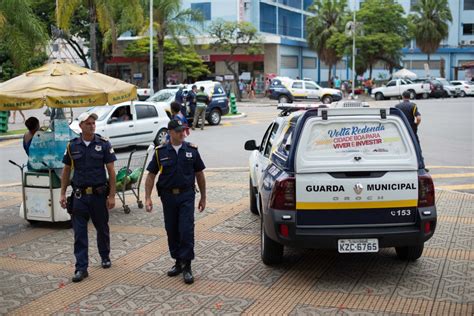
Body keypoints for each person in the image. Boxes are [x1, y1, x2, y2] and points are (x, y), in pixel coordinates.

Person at [144, 119, 206, 284]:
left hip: (186, 195)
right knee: (171, 229)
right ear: (170, 132)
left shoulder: (191, 150)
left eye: (183, 130)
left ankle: (187, 266)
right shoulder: (160, 152)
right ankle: (178, 261)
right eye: (178, 131)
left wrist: (203, 197)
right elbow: (151, 175)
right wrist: (148, 197)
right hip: (168, 197)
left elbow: (199, 174)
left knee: (186, 229)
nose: (182, 133)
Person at [59, 112, 117, 283]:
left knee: (102, 228)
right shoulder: (72, 146)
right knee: (79, 233)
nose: (92, 126)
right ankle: (81, 268)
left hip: (99, 196)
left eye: (93, 123)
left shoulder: (104, 144)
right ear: (80, 126)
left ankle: (105, 255)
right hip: (79, 196)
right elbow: (66, 171)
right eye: (88, 123)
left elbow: (111, 171)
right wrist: (62, 193)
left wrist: (112, 195)